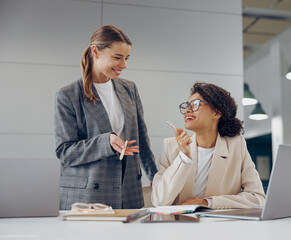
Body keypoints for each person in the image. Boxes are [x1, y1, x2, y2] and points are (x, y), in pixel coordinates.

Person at [54, 25, 157, 210]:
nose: (124, 65)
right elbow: (65, 151)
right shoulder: (67, 95)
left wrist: (156, 178)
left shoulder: (129, 89)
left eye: (126, 58)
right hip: (88, 195)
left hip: (129, 191)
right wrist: (105, 142)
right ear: (96, 51)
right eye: (117, 57)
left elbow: (142, 141)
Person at [151, 82, 265, 208]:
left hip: (220, 225)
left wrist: (208, 202)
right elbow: (159, 201)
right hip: (180, 225)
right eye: (187, 105)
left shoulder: (236, 146)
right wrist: (184, 157)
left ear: (216, 113)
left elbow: (257, 198)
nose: (187, 110)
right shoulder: (170, 147)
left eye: (195, 105)